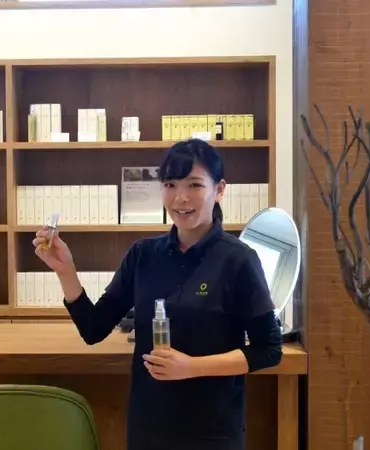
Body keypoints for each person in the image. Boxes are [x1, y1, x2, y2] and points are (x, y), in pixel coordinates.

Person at [33, 138, 283, 450]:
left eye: (194, 185)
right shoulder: (143, 255)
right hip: (149, 427)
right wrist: (65, 270)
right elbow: (93, 328)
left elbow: (268, 349)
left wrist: (192, 367)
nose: (181, 197)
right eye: (170, 185)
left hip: (212, 430)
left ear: (219, 190)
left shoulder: (239, 260)